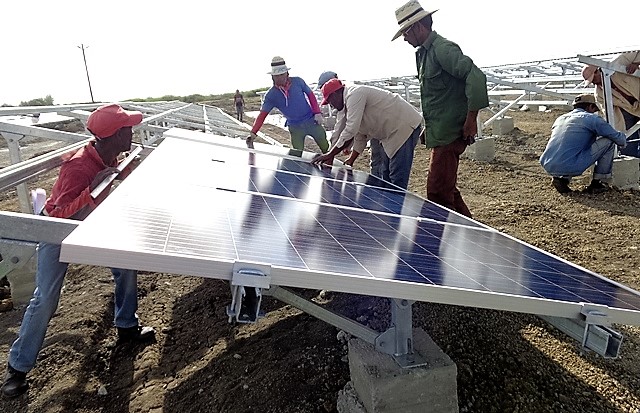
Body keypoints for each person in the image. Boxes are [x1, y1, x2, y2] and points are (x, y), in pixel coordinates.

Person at [1, 104, 155, 399]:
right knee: (46, 296)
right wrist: (93, 192)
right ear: (113, 134)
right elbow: (60, 216)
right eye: (128, 129)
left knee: (126, 264)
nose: (132, 132)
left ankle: (126, 327)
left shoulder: (110, 152)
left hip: (91, 220)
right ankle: (17, 368)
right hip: (58, 231)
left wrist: (122, 174)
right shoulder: (78, 166)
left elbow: (118, 174)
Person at [392, 0, 489, 218]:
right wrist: (430, 128)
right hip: (441, 131)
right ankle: (471, 230)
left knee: (437, 192)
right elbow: (435, 96)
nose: (405, 38)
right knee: (446, 188)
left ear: (417, 27)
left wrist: (472, 119)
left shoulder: (442, 49)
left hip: (452, 131)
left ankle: (443, 243)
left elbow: (475, 77)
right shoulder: (423, 53)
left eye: (406, 33)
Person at [311, 78, 423, 190]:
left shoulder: (354, 94)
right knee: (386, 176)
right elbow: (360, 136)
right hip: (389, 134)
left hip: (403, 126)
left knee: (396, 178)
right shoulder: (349, 106)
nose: (331, 106)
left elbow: (351, 129)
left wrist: (330, 154)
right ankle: (391, 204)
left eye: (330, 101)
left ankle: (397, 204)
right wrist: (351, 160)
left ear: (335, 93)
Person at [539, 94, 627, 194]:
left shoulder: (560, 118)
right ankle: (598, 182)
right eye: (594, 110)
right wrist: (624, 141)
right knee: (609, 141)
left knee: (572, 146)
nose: (595, 112)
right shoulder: (591, 118)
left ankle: (561, 179)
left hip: (547, 162)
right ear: (590, 107)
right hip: (570, 165)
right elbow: (617, 137)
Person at [247, 56, 329, 153]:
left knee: (324, 145)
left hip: (311, 120)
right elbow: (262, 115)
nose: (280, 78)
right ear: (272, 77)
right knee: (296, 152)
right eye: (277, 76)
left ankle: (330, 162)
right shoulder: (271, 95)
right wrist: (253, 133)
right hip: (295, 126)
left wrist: (317, 112)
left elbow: (311, 95)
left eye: (282, 74)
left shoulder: (298, 82)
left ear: (287, 73)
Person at [582, 51, 640, 157]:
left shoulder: (619, 61)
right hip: (629, 109)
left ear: (598, 71)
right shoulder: (599, 93)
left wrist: (636, 63)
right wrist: (615, 131)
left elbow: (637, 51)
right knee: (629, 136)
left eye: (593, 79)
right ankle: (632, 160)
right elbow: (607, 111)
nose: (594, 83)